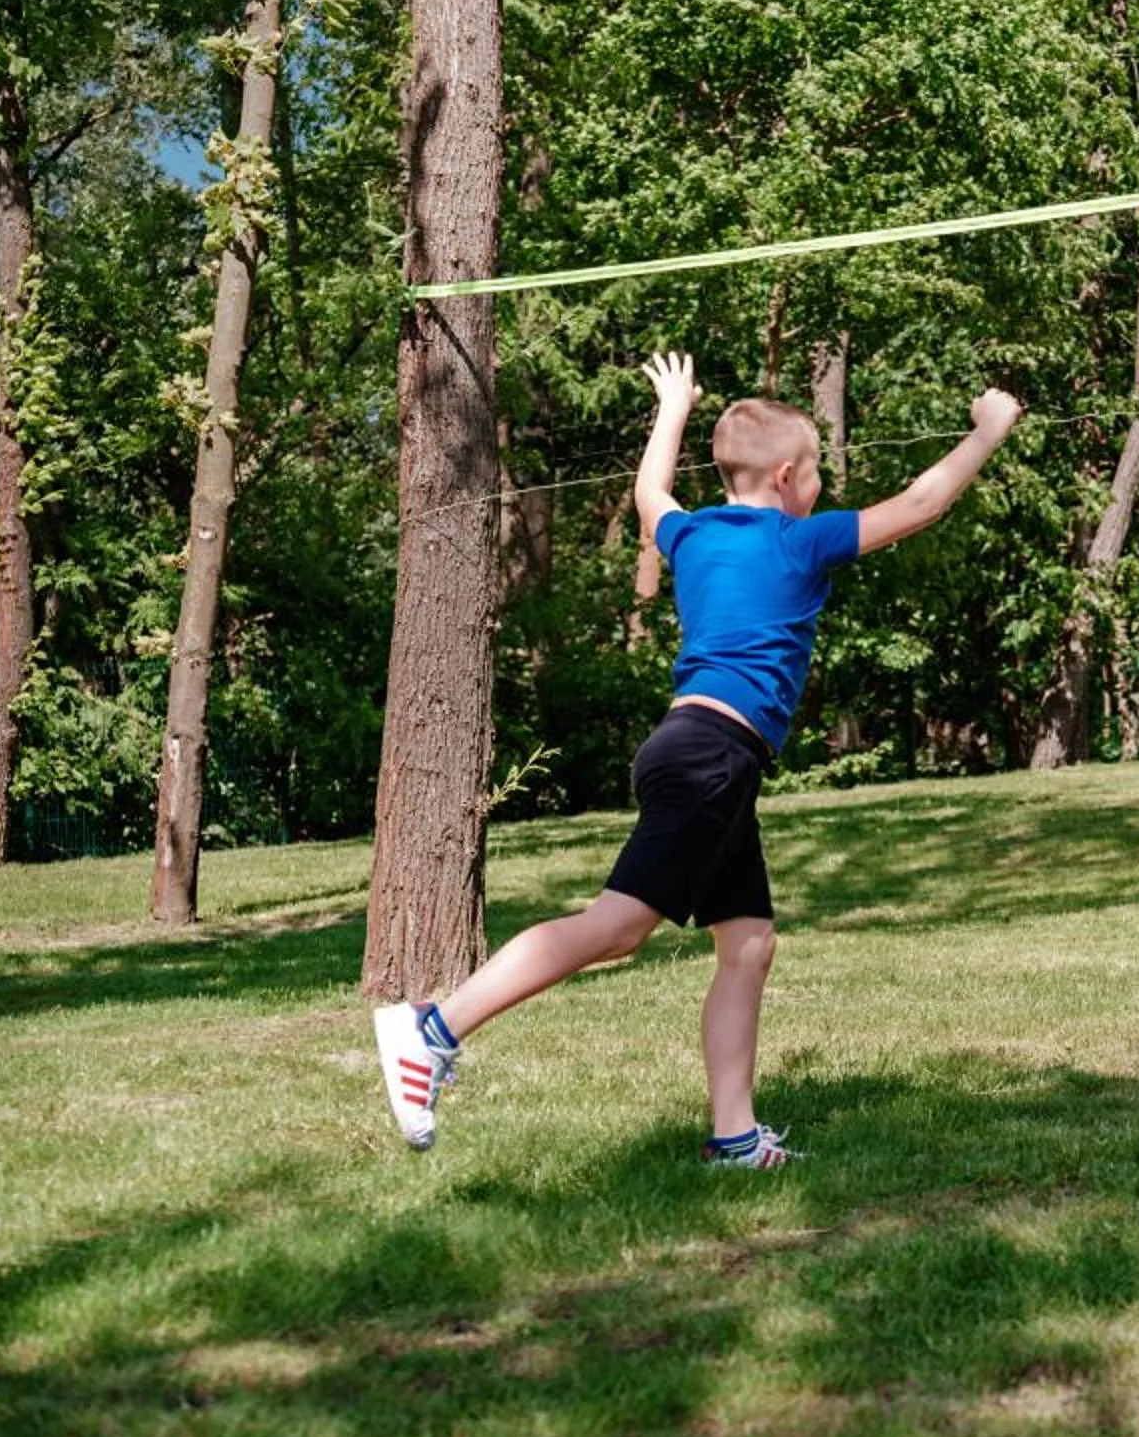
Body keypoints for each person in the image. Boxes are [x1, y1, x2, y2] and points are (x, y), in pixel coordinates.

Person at [371, 353, 1023, 1166]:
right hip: (711, 758)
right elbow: (922, 503)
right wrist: (988, 431)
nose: (820, 485)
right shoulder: (798, 542)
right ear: (787, 476)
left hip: (700, 753)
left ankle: (734, 1137)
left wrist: (673, 406)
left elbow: (652, 496)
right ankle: (432, 1029)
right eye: (816, 471)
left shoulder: (697, 534)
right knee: (618, 927)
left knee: (747, 943)